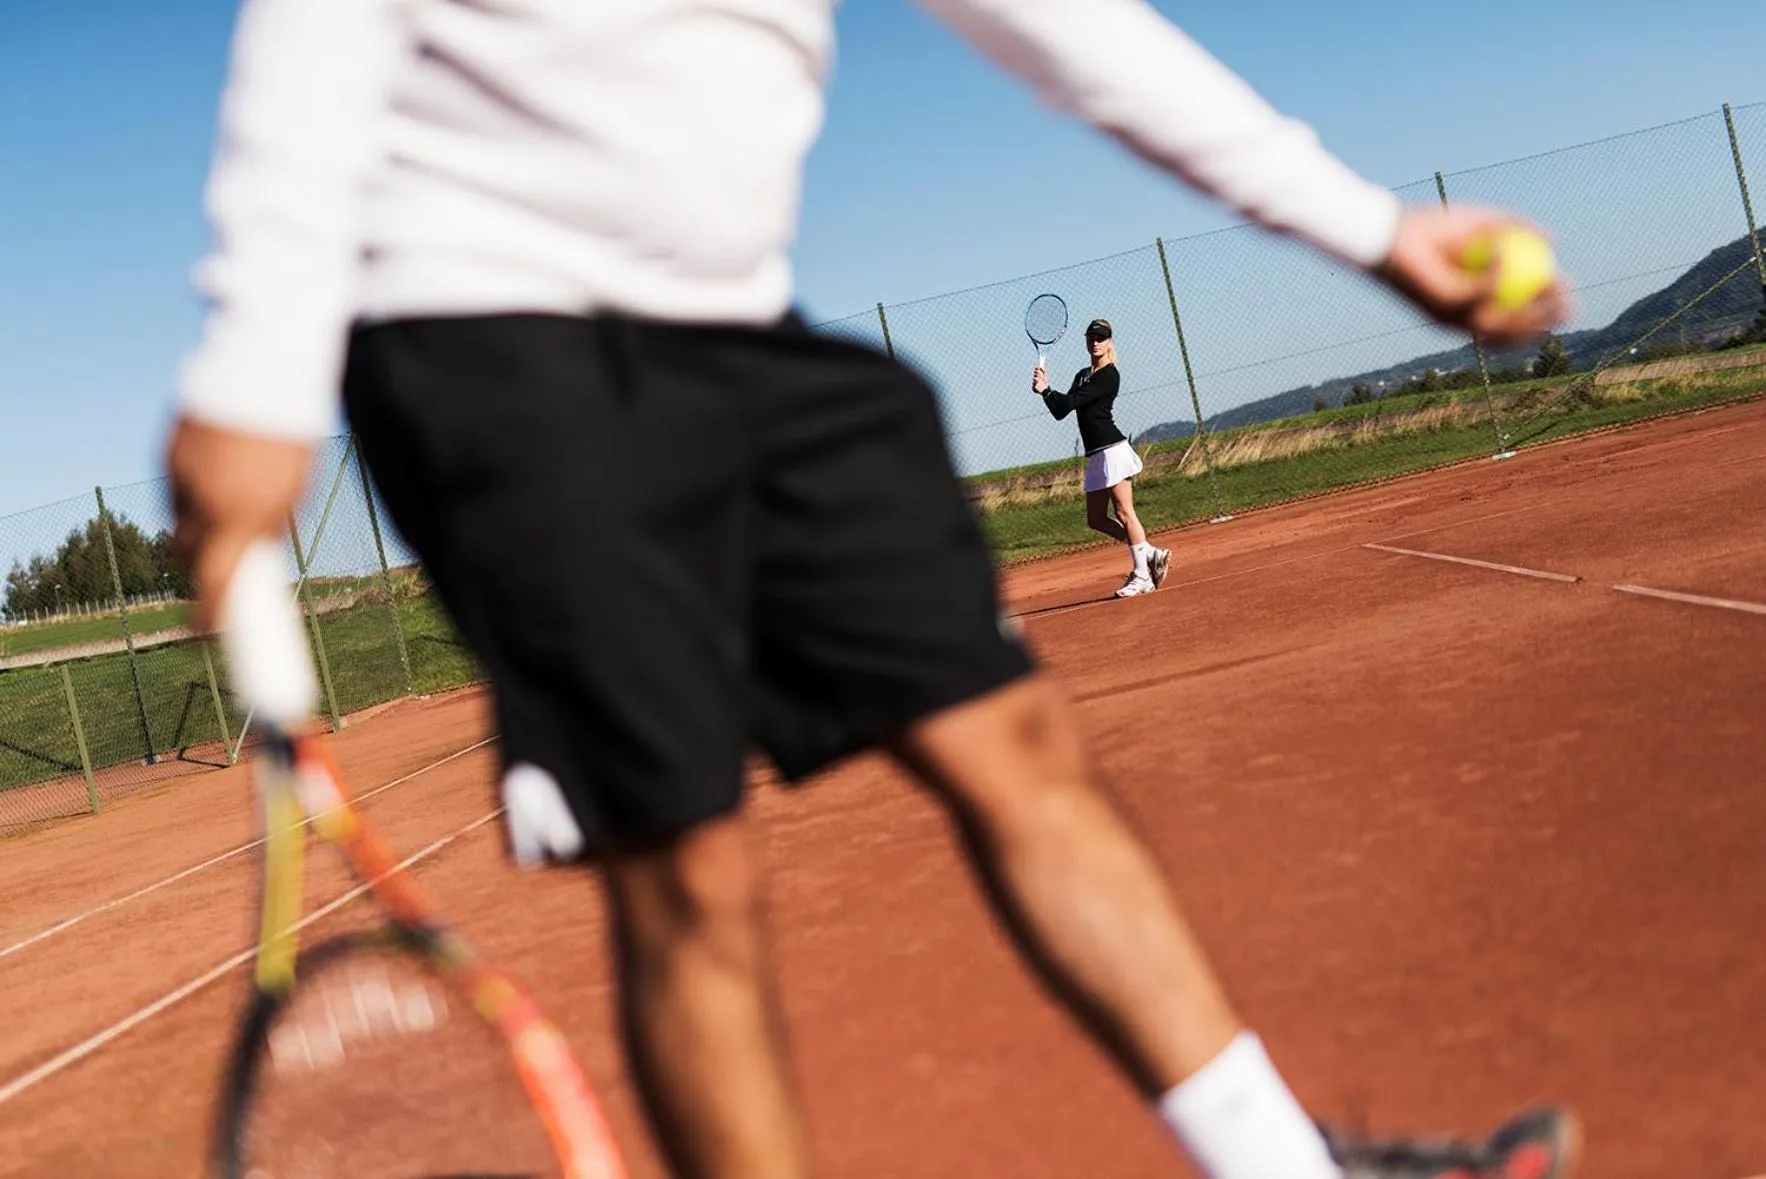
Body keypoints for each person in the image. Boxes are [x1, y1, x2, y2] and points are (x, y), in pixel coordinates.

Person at [166, 2, 1573, 1178]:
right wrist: (252, 358)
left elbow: (1061, 27)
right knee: (689, 872)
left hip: (747, 338)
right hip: (493, 350)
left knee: (1015, 739)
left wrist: (1365, 228)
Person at [1036, 317, 1171, 598]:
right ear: (1086, 341)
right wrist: (1045, 391)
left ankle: (1143, 575)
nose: (1095, 342)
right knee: (1096, 519)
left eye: (1101, 338)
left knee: (1124, 512)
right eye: (1091, 338)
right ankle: (1148, 552)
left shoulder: (1110, 375)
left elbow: (1071, 401)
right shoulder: (1082, 374)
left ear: (1109, 341)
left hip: (1112, 450)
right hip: (1096, 456)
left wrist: (1048, 390)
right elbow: (1061, 411)